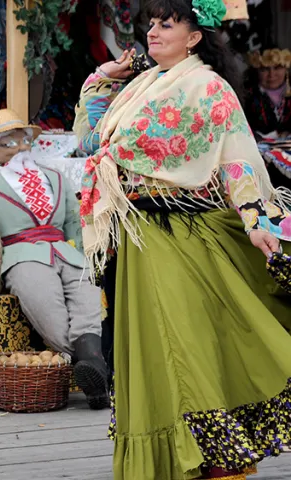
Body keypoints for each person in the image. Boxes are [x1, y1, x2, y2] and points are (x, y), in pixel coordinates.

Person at [74, 0, 291, 478]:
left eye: (165, 24)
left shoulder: (208, 87)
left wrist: (257, 222)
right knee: (156, 353)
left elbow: (236, 159)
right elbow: (92, 144)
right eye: (151, 23)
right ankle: (176, 461)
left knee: (187, 347)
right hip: (140, 241)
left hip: (182, 234)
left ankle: (215, 460)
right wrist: (103, 77)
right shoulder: (140, 86)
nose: (152, 32)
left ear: (194, 37)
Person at [0, 108, 109, 409]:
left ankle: (94, 370)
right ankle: (95, 366)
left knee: (88, 302)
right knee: (49, 314)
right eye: (9, 144)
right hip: (22, 257)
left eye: (24, 142)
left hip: (66, 252)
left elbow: (75, 224)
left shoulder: (56, 178)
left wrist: (88, 256)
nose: (20, 149)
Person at [244, 48, 290, 137]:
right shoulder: (246, 96)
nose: (271, 74)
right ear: (257, 71)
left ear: (286, 69)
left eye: (277, 67)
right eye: (264, 69)